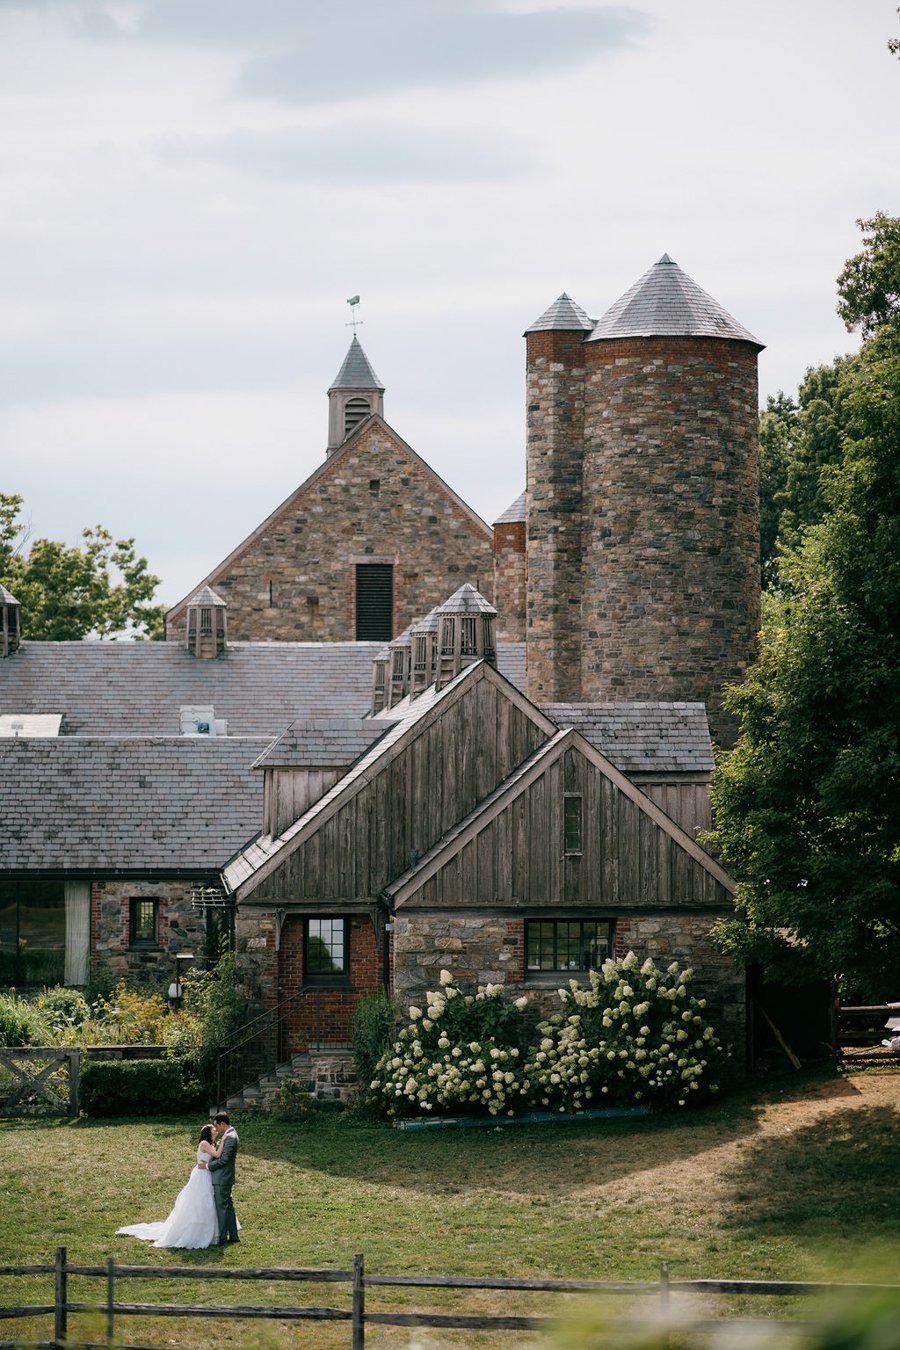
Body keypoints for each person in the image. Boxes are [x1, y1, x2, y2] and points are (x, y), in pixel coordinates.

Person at [116, 1124, 223, 1249]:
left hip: (207, 1172)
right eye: (213, 1129)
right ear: (208, 1132)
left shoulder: (212, 1143)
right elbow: (216, 1155)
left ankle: (211, 1231)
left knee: (208, 1200)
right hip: (201, 1174)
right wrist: (224, 1142)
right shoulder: (204, 1143)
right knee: (199, 1200)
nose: (215, 1130)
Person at [199, 1111, 240, 1245]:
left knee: (222, 1209)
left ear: (223, 1124)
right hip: (224, 1178)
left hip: (222, 1178)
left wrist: (207, 1166)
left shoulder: (230, 1137)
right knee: (228, 1208)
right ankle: (233, 1236)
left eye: (217, 1126)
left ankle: (222, 1239)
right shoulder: (228, 1136)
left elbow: (223, 1161)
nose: (216, 1129)